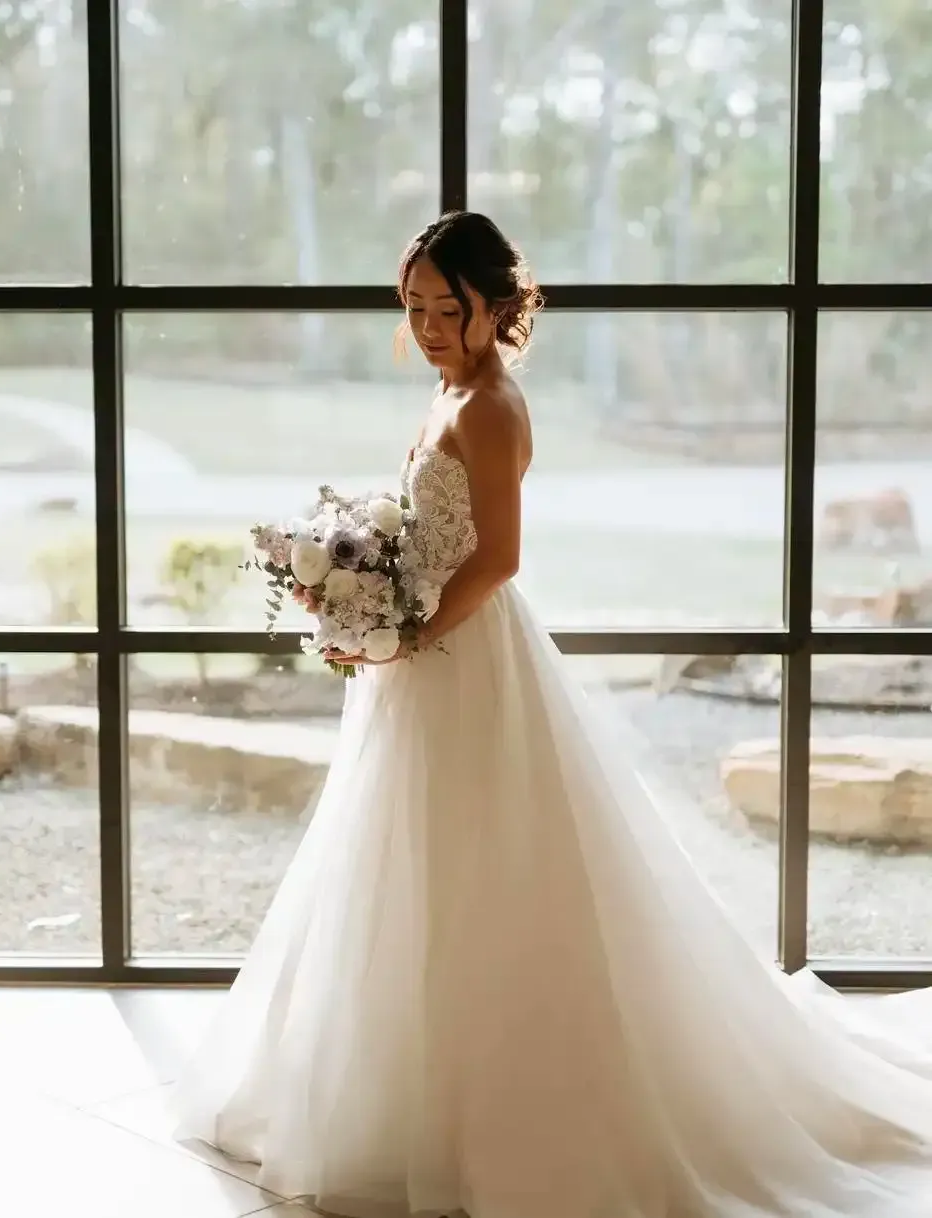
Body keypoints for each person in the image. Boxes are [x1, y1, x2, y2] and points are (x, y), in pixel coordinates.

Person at [172, 212, 932, 1218]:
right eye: (415, 307)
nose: (432, 324)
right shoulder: (446, 389)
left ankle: (498, 1104)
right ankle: (401, 1094)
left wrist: (404, 631)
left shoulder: (489, 406)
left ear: (494, 304)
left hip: (462, 650)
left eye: (449, 307)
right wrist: (354, 584)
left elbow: (497, 559)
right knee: (406, 866)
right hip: (420, 652)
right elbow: (423, 532)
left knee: (489, 867)